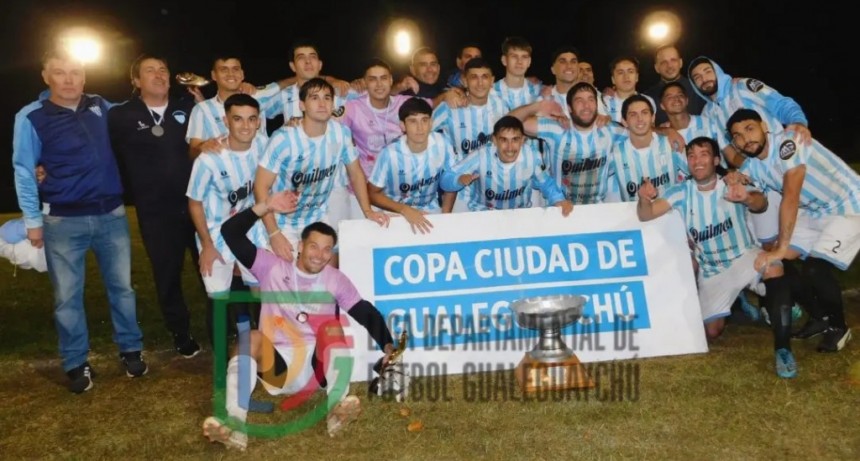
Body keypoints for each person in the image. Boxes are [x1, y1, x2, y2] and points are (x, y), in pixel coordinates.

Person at [201, 192, 397, 449]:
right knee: (251, 337)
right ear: (301, 246)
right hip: (277, 369)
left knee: (332, 328)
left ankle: (336, 409)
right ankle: (235, 425)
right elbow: (231, 233)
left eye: (327, 249)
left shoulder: (334, 279)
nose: (320, 255)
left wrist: (388, 346)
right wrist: (266, 206)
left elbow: (364, 312)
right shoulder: (271, 266)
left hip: (317, 370)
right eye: (314, 246)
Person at [12, 47, 146, 393]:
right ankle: (76, 362)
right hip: (62, 221)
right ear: (45, 76)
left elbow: (138, 114)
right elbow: (25, 170)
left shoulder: (100, 106)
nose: (69, 79)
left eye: (75, 72)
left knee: (123, 290)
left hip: (111, 216)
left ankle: (131, 349)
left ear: (84, 76)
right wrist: (32, 220)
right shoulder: (31, 116)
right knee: (67, 297)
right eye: (60, 72)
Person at [636, 136, 798, 377]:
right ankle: (741, 302)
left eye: (703, 155)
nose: (697, 161)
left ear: (715, 159)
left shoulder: (732, 182)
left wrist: (745, 197)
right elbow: (645, 215)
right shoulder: (681, 191)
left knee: (773, 266)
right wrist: (643, 198)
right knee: (712, 332)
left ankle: (783, 349)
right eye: (691, 156)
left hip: (744, 257)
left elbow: (760, 203)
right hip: (712, 271)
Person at [727, 108, 858, 352]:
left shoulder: (787, 143)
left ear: (764, 126)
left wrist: (782, 246)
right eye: (737, 136)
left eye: (749, 129)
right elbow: (759, 200)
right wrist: (741, 190)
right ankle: (819, 317)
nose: (745, 139)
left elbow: (790, 195)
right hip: (815, 211)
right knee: (774, 262)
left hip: (848, 206)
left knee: (815, 268)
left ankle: (838, 328)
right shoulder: (754, 165)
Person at [108, 53, 202, 358]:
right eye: (150, 71)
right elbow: (97, 149)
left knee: (211, 266)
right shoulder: (121, 116)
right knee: (167, 273)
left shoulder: (188, 108)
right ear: (136, 81)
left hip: (196, 204)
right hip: (155, 211)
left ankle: (225, 322)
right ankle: (180, 330)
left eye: (163, 69)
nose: (159, 75)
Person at [255, 78, 389, 265]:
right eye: (314, 98)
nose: (322, 103)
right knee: (285, 288)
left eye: (327, 98)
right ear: (302, 105)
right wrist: (274, 233)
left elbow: (356, 173)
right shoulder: (283, 139)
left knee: (324, 284)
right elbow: (261, 187)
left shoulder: (341, 134)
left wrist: (367, 211)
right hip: (282, 222)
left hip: (318, 218)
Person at [187, 94, 269, 337]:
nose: (245, 126)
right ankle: (221, 362)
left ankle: (266, 348)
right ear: (226, 121)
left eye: (251, 119)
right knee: (219, 299)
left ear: (258, 122)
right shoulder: (209, 158)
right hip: (216, 232)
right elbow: (194, 203)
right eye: (238, 119)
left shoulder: (264, 145)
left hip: (251, 228)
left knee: (261, 290)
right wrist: (207, 246)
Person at [510, 82, 627, 205]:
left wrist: (609, 118)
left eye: (591, 100)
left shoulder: (609, 130)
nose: (586, 105)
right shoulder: (557, 128)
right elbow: (509, 122)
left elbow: (642, 134)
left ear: (597, 105)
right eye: (579, 100)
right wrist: (537, 107)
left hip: (595, 211)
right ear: (569, 108)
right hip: (560, 209)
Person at [440, 116, 574, 215]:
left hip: (519, 215)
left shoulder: (531, 155)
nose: (510, 147)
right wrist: (459, 180)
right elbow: (445, 179)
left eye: (515, 140)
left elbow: (546, 183)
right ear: (494, 140)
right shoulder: (480, 156)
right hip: (482, 214)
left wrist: (559, 200)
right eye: (503, 140)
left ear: (523, 140)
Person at [342, 59, 421, 218]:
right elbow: (324, 120)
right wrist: (297, 121)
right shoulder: (352, 108)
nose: (379, 84)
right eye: (372, 79)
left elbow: (435, 105)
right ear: (365, 82)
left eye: (383, 78)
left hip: (397, 192)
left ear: (391, 80)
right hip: (362, 192)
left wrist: (449, 94)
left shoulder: (404, 103)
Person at [368, 98, 457, 233]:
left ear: (431, 123)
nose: (420, 127)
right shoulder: (389, 154)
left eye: (424, 120)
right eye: (413, 121)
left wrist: (445, 216)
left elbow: (452, 182)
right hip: (394, 210)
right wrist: (405, 210)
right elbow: (372, 194)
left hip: (429, 208)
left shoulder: (443, 143)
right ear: (402, 126)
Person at [432, 57, 507, 212]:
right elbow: (423, 133)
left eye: (485, 77)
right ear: (464, 81)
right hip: (460, 190)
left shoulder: (500, 104)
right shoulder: (450, 107)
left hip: (492, 188)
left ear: (492, 81)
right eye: (474, 77)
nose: (480, 83)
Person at [185, 55, 283, 157]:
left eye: (235, 69)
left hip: (261, 171)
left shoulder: (257, 98)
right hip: (223, 171)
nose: (230, 74)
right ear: (214, 75)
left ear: (242, 74)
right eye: (224, 70)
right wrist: (203, 147)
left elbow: (289, 86)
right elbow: (193, 151)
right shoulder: (202, 109)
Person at [604, 95, 689, 202]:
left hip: (670, 215)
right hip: (634, 217)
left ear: (652, 117)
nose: (640, 119)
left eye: (644, 113)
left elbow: (694, 176)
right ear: (624, 122)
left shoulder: (671, 144)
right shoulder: (615, 154)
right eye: (633, 115)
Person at [644, 44, 706, 126]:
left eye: (673, 60)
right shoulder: (648, 97)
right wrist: (660, 130)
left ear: (680, 63)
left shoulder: (698, 89)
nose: (669, 66)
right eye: (663, 62)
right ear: (657, 68)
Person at [602, 56, 656, 125]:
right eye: (620, 72)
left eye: (630, 71)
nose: (626, 76)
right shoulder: (604, 103)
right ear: (613, 79)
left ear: (637, 77)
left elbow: (652, 128)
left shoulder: (648, 100)